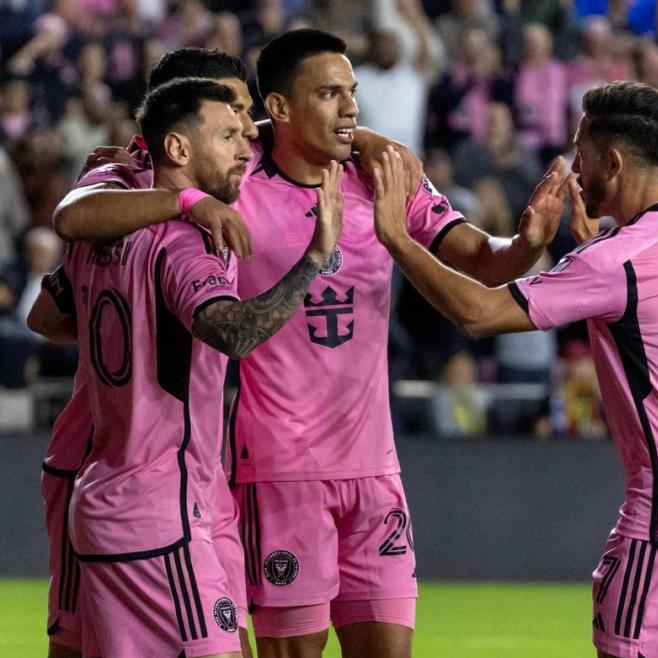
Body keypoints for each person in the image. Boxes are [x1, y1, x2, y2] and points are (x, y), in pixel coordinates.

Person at [371, 79, 658, 657]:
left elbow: (479, 315)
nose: (572, 167)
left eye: (581, 152)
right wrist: (595, 249)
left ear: (613, 160)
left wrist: (396, 237)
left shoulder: (616, 261)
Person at [230, 29, 563, 658]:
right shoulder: (236, 181)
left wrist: (525, 244)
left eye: (351, 91)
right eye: (329, 93)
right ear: (277, 107)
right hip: (280, 470)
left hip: (374, 468)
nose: (351, 106)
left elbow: (482, 261)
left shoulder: (382, 180)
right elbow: (163, 151)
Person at [38, 77, 342, 657]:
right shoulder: (183, 241)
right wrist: (315, 259)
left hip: (109, 498)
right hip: (160, 511)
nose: (245, 147)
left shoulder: (109, 223)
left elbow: (46, 314)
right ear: (177, 149)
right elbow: (233, 332)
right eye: (228, 133)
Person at [29, 47, 261, 658]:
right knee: (80, 643)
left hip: (195, 470)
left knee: (228, 633)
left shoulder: (227, 178)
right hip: (105, 457)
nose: (246, 131)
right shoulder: (121, 182)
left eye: (246, 113)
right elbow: (63, 250)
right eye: (230, 113)